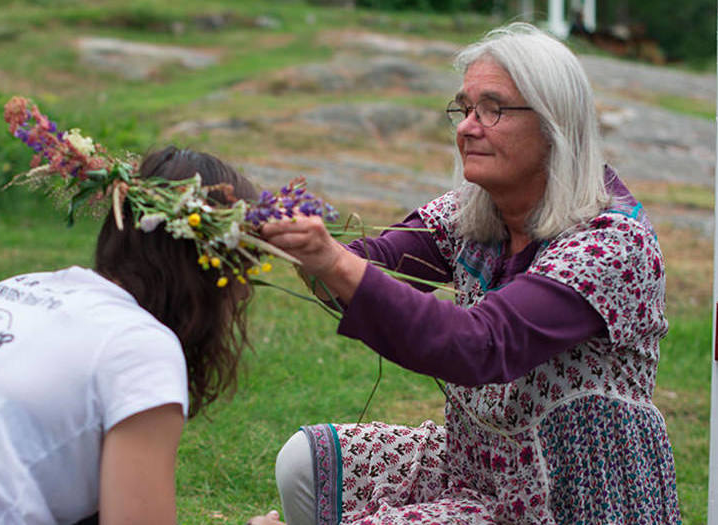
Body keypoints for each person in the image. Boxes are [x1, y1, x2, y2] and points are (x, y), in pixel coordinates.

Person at [257, 22, 680, 525]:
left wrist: (335, 262)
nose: (466, 127)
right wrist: (278, 236)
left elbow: (481, 346)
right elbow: (373, 263)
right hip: (476, 463)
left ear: (553, 124)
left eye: (492, 109)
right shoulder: (474, 213)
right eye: (465, 108)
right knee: (306, 461)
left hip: (573, 498)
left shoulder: (609, 243)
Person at [0, 146, 260, 525]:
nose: (241, 295)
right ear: (208, 271)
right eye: (243, 273)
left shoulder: (17, 289)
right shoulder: (141, 346)